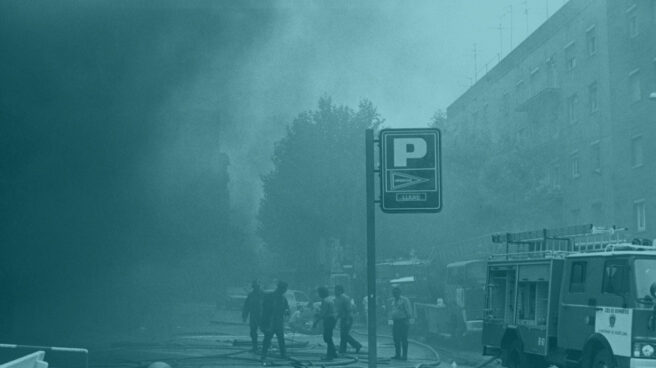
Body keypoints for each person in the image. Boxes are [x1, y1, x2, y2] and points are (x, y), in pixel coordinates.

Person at [261, 281, 290, 362]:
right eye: (284, 289)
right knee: (267, 339)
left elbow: (287, 309)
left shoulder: (283, 298)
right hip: (270, 322)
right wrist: (264, 323)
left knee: (281, 339)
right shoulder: (270, 296)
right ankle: (263, 355)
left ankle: (283, 355)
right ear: (280, 288)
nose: (285, 290)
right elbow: (264, 311)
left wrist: (287, 311)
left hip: (279, 322)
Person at [334, 285, 362, 354]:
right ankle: (343, 349)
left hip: (348, 318)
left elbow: (348, 310)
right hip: (343, 318)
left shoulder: (345, 298)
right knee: (343, 335)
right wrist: (337, 318)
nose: (335, 291)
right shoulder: (337, 298)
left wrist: (347, 320)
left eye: (336, 290)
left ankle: (356, 345)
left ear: (340, 290)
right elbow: (340, 310)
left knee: (344, 335)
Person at [313, 286, 337, 360]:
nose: (318, 294)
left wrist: (316, 322)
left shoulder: (325, 301)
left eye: (319, 293)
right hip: (332, 319)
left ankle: (329, 356)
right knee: (328, 337)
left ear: (322, 293)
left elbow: (323, 313)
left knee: (327, 337)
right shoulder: (330, 299)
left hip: (328, 320)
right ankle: (333, 353)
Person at [389, 286, 412, 361]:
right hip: (396, 322)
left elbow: (408, 311)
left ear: (399, 293)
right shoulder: (393, 300)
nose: (394, 294)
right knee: (396, 338)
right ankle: (398, 354)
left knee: (404, 339)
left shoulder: (404, 300)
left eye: (396, 293)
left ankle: (404, 356)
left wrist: (407, 320)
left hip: (403, 321)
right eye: (393, 293)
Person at [242, 280, 263, 353]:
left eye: (257, 287)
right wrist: (244, 316)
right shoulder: (250, 295)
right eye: (255, 287)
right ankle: (255, 346)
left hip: (262, 316)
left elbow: (267, 306)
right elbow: (246, 306)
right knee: (253, 332)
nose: (256, 288)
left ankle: (267, 345)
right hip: (253, 316)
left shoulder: (262, 295)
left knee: (266, 331)